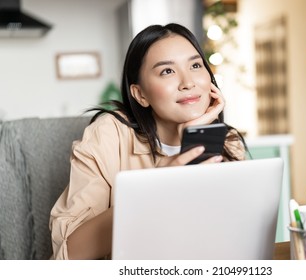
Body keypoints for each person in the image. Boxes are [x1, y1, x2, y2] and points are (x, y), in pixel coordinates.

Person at [49, 23, 247, 260]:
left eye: (195, 65)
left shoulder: (227, 140)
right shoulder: (109, 135)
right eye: (167, 71)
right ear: (140, 94)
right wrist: (152, 190)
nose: (188, 82)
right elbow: (69, 255)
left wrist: (198, 144)